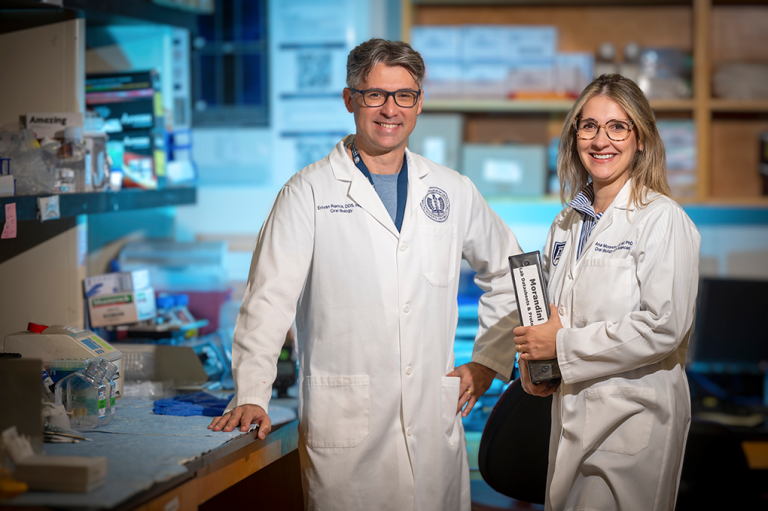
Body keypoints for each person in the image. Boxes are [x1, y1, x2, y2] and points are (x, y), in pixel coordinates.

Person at [208, 38, 523, 511]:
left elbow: (511, 270)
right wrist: (252, 392)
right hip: (347, 430)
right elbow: (268, 300)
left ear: (419, 102)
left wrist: (487, 363)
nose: (389, 109)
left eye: (404, 95)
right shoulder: (308, 192)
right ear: (350, 99)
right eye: (375, 94)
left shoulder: (452, 190)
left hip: (431, 427)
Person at [513, 74, 700, 511]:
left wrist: (559, 347)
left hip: (629, 426)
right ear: (575, 134)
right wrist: (539, 367)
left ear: (641, 141)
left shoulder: (661, 219)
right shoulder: (565, 225)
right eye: (589, 126)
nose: (602, 140)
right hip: (570, 421)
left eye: (618, 126)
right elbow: (555, 317)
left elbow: (662, 326)